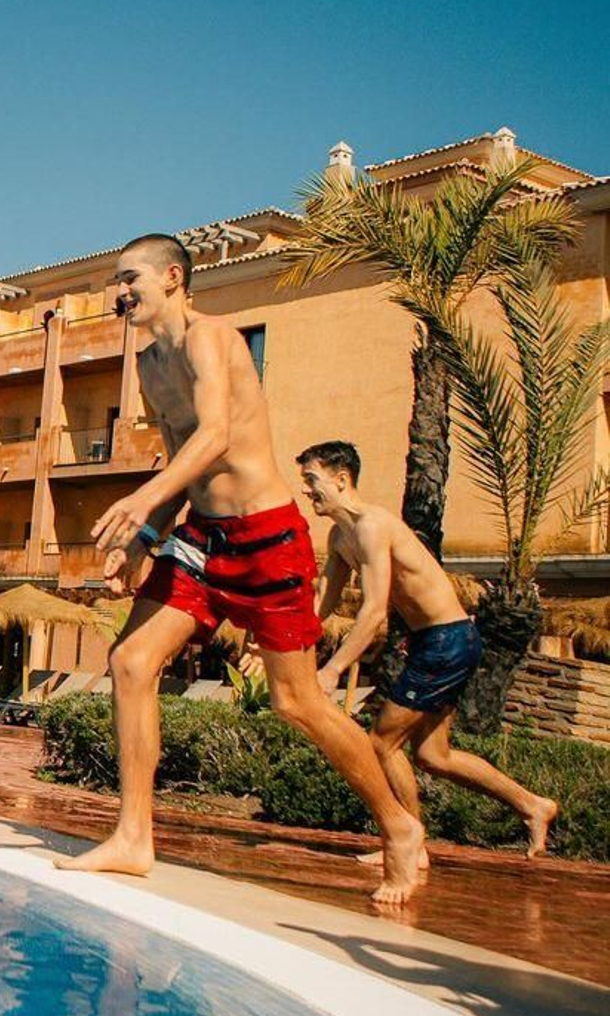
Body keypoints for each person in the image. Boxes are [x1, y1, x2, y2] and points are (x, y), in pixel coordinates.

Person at [83, 234, 425, 905]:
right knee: (131, 661)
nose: (120, 292)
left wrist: (141, 500)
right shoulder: (150, 365)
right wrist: (147, 536)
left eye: (131, 278)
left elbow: (216, 435)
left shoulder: (213, 339)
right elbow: (186, 459)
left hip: (266, 535)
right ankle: (133, 836)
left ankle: (399, 824)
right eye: (116, 282)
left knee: (296, 701)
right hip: (202, 537)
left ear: (174, 277)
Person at [298, 440, 557, 859]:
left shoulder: (372, 527)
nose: (306, 491)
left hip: (448, 640)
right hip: (432, 642)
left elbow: (375, 610)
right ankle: (533, 805)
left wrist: (332, 670)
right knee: (434, 755)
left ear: (341, 480)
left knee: (381, 742)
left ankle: (409, 844)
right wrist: (287, 641)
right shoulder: (340, 535)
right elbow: (324, 600)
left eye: (312, 480)